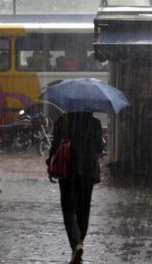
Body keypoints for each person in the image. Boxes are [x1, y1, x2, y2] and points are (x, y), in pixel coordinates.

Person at [47, 112, 104, 264]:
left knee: (68, 210)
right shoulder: (95, 123)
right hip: (88, 172)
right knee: (83, 211)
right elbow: (99, 148)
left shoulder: (63, 121)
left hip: (67, 170)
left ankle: (76, 244)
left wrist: (50, 164)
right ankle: (78, 245)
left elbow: (55, 145)